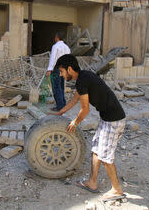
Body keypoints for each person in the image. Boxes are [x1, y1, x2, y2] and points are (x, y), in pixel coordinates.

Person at [54, 54, 126, 202]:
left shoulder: (82, 80)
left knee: (105, 157)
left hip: (114, 120)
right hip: (106, 118)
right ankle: (92, 183)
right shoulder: (82, 77)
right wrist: (60, 112)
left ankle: (117, 190)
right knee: (96, 150)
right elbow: (75, 99)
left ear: (69, 69)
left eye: (61, 72)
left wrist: (75, 122)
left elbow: (85, 109)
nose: (61, 75)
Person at [46, 31, 70, 111]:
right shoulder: (67, 47)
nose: (54, 38)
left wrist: (49, 69)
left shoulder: (55, 46)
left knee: (56, 87)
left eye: (55, 37)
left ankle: (60, 106)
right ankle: (63, 104)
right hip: (64, 69)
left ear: (57, 37)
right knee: (61, 86)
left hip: (56, 69)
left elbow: (53, 59)